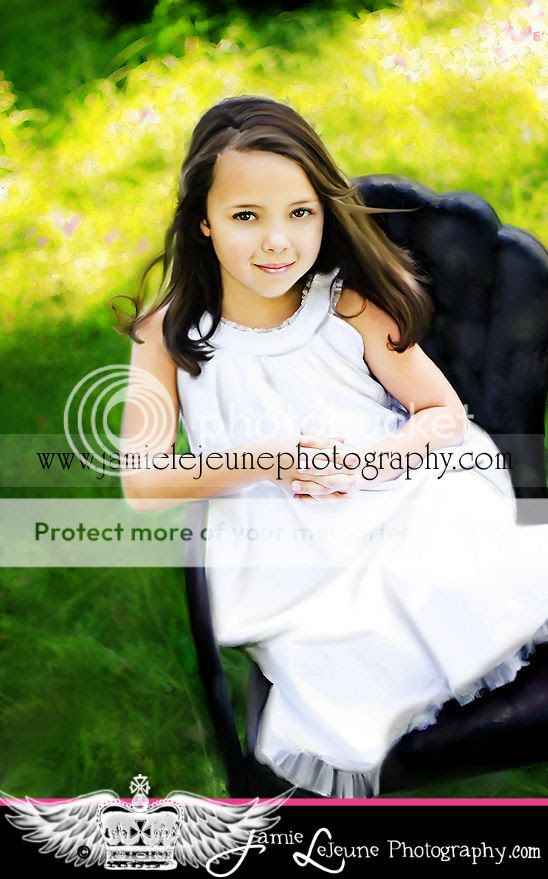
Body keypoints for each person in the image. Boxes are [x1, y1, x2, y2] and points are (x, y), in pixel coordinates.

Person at [115, 95, 548, 798]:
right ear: (203, 221)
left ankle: (465, 623)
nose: (277, 241)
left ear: (324, 213)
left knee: (446, 560)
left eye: (300, 213)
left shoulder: (342, 303)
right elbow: (143, 484)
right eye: (246, 217)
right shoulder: (166, 335)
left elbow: (439, 411)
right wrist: (271, 458)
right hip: (280, 533)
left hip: (393, 485)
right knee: (337, 647)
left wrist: (376, 462)